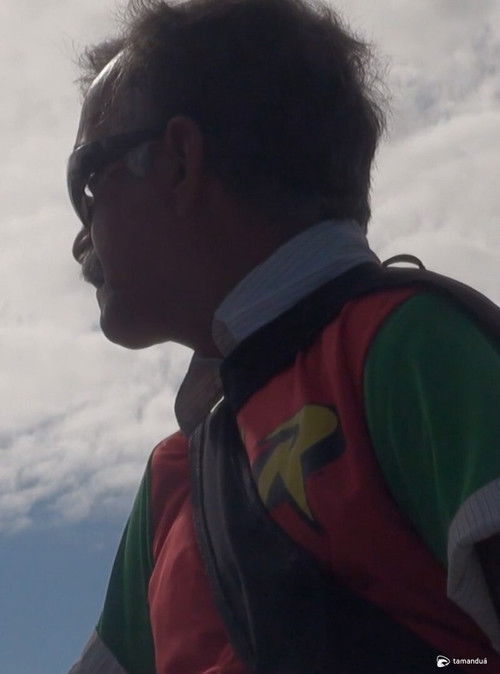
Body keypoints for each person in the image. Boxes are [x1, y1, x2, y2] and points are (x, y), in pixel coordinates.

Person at [66, 0, 500, 672]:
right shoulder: (171, 482)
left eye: (88, 184)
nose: (79, 241)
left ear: (179, 160)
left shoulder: (405, 350)